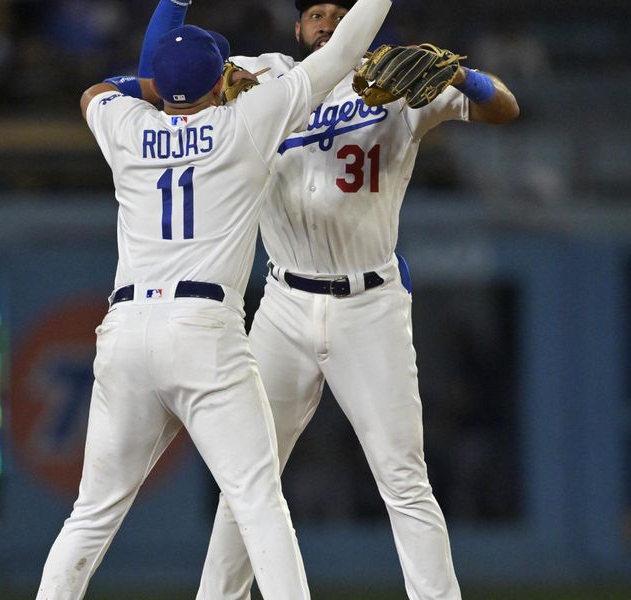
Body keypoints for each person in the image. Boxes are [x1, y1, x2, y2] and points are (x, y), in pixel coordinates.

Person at [141, 2, 520, 598]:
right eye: (313, 12)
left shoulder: (397, 81)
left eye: (338, 11)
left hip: (369, 305)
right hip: (282, 303)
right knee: (247, 479)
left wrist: (458, 77)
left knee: (403, 477)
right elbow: (162, 75)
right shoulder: (262, 76)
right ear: (297, 28)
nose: (325, 21)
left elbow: (504, 106)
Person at [34, 0, 393, 597]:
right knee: (258, 502)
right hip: (203, 333)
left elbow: (94, 91)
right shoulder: (245, 122)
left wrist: (148, 84)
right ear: (216, 78)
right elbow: (342, 53)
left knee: (92, 513)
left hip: (126, 330)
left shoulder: (127, 125)